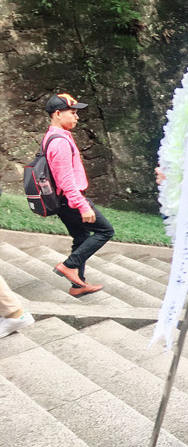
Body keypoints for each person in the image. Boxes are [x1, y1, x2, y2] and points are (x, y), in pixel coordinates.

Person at [43, 93, 114, 296]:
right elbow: (65, 181)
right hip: (71, 200)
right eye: (72, 113)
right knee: (105, 231)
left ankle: (78, 285)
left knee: (82, 236)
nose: (77, 117)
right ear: (58, 113)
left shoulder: (55, 136)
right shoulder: (60, 142)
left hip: (64, 201)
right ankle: (69, 265)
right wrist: (82, 205)